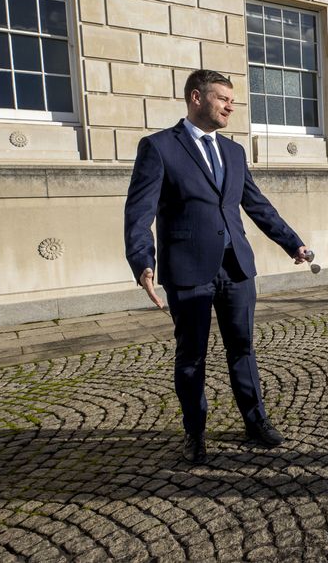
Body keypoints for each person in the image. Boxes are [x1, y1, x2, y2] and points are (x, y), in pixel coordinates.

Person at [124, 69, 310, 464]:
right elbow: (138, 213)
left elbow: (257, 204)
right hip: (188, 271)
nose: (231, 105)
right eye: (223, 98)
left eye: (232, 99)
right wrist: (143, 261)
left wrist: (292, 242)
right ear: (196, 97)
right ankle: (195, 432)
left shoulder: (233, 152)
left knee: (242, 348)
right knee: (191, 355)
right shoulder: (158, 148)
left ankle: (255, 420)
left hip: (237, 269)